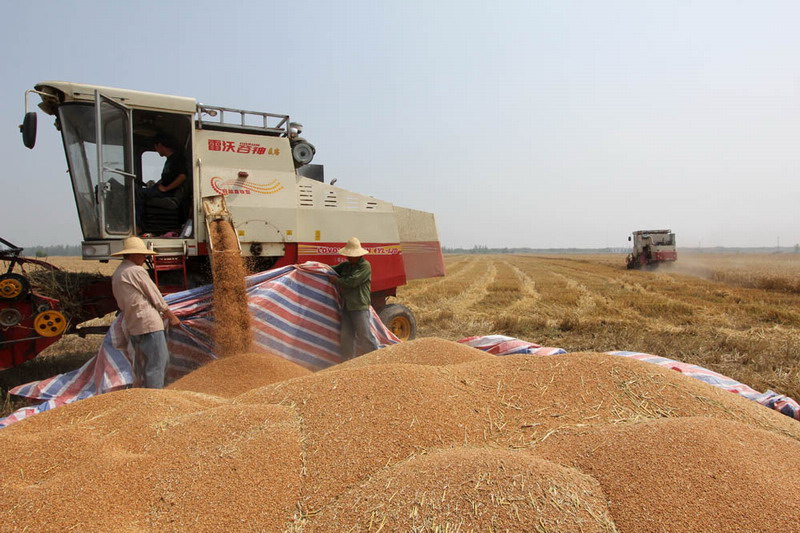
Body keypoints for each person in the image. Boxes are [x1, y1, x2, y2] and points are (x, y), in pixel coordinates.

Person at [111, 236, 181, 388]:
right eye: (142, 254)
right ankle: (153, 397)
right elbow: (155, 296)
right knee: (158, 363)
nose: (145, 258)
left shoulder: (118, 272)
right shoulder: (136, 271)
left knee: (145, 363)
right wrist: (171, 316)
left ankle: (145, 393)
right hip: (148, 323)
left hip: (133, 323)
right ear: (133, 254)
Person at [332, 237, 380, 359]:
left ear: (359, 255)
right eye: (348, 256)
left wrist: (336, 280)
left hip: (359, 306)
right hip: (347, 306)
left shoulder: (365, 266)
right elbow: (330, 269)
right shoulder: (346, 266)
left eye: (351, 256)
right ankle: (348, 360)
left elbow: (353, 282)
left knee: (365, 336)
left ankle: (375, 359)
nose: (349, 258)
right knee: (347, 336)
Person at [136, 134, 188, 233]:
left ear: (160, 145)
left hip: (170, 193)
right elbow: (167, 178)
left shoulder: (176, 159)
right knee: (140, 191)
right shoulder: (170, 160)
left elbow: (182, 176)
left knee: (139, 193)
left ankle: (139, 226)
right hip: (164, 190)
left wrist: (166, 188)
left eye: (156, 147)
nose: (156, 150)